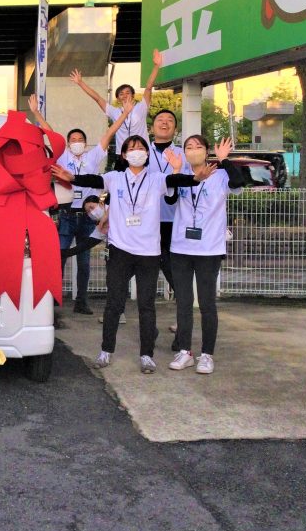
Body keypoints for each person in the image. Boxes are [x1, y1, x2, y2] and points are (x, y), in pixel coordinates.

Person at [53, 134, 212, 374]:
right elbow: (94, 178)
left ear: (147, 154)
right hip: (120, 250)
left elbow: (176, 179)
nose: (136, 151)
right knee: (113, 304)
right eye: (131, 148)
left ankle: (147, 355)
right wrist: (72, 177)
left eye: (141, 148)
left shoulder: (156, 179)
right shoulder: (115, 178)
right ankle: (106, 350)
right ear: (124, 155)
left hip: (148, 253)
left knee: (147, 306)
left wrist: (195, 178)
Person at [28, 94, 132, 315]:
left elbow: (109, 133)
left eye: (80, 139)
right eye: (73, 139)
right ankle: (53, 302)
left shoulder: (93, 156)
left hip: (88, 216)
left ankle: (81, 301)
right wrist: (36, 113)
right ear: (68, 143)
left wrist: (124, 114)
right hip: (66, 214)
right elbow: (50, 134)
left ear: (85, 143)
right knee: (59, 258)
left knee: (84, 262)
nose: (76, 142)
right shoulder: (62, 157)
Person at [165, 137, 245, 375]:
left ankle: (207, 354)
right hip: (181, 248)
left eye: (198, 147)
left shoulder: (220, 176)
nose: (193, 151)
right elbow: (169, 198)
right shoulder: (182, 177)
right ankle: (185, 352)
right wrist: (176, 171)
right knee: (183, 302)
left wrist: (224, 160)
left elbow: (239, 183)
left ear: (207, 150)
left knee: (207, 303)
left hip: (209, 249)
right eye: (188, 147)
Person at [69, 49, 163, 154]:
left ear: (133, 95)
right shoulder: (115, 112)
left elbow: (148, 88)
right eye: (121, 94)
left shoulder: (141, 107)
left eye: (127, 93)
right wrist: (80, 83)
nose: (124, 96)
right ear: (118, 99)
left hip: (142, 151)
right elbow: (97, 98)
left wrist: (156, 66)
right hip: (122, 153)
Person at [148, 109, 185, 305]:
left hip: (174, 218)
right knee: (143, 264)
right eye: (160, 119)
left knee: (172, 264)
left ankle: (183, 305)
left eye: (170, 120)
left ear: (175, 129)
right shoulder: (142, 152)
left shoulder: (183, 153)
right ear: (151, 127)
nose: (164, 123)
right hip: (147, 219)